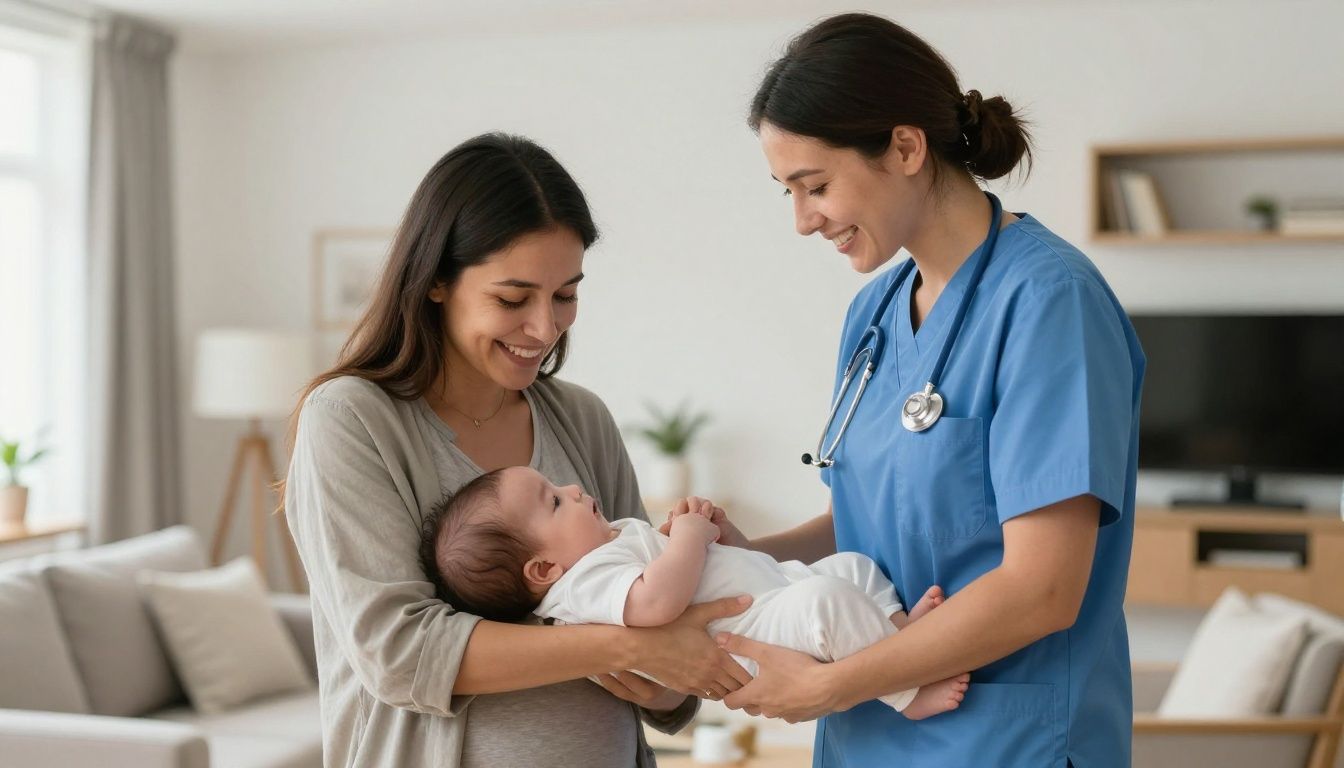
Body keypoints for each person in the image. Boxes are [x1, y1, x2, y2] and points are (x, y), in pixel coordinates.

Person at [709, 12, 1147, 768]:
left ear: (906, 147)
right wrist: (744, 555)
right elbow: (871, 524)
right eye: (787, 191)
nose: (803, 221)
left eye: (815, 186)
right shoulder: (874, 313)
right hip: (868, 738)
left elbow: (1043, 588)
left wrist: (830, 686)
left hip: (1007, 742)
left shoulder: (1048, 302)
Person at [281, 133, 752, 768]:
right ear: (437, 281)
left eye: (565, 295)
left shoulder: (580, 418)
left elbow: (666, 655)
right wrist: (626, 645)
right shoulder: (353, 419)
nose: (544, 327)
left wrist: (674, 656)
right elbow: (400, 654)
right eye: (512, 298)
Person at [417, 465, 972, 720]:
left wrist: (713, 539)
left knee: (849, 567)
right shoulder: (578, 589)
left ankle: (896, 635)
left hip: (771, 592)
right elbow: (657, 604)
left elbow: (684, 573)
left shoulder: (605, 546)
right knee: (828, 599)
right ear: (543, 570)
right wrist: (685, 538)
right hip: (749, 639)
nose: (572, 488)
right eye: (554, 502)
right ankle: (906, 695)